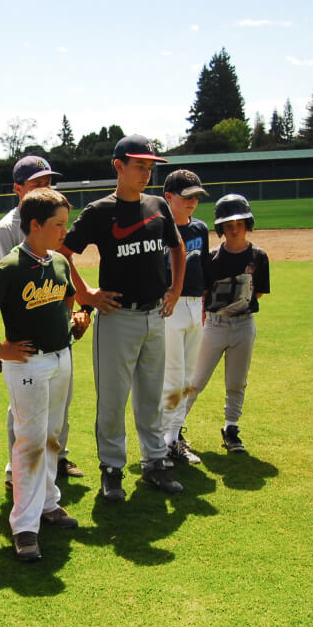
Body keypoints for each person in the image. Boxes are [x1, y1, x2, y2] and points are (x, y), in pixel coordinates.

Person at [59, 134, 186, 502]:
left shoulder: (158, 205)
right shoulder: (100, 211)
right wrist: (85, 295)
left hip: (154, 316)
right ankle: (112, 468)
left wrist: (176, 290)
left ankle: (155, 463)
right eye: (139, 165)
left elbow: (177, 249)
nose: (146, 173)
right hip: (117, 318)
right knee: (113, 399)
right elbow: (63, 253)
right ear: (118, 166)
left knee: (150, 396)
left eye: (150, 167)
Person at [0, 188, 87, 561]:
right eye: (58, 224)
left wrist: (73, 319)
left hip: (61, 357)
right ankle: (24, 526)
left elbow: (67, 296)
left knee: (51, 436)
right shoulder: (12, 265)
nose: (65, 231)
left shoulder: (58, 262)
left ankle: (48, 503)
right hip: (28, 363)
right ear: (34, 225)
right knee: (29, 441)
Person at [0, 155, 83, 482]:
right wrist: (2, 347)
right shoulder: (6, 230)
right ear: (18, 189)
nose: (46, 187)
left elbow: (62, 269)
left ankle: (56, 459)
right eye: (37, 183)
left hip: (56, 331)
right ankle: (16, 469)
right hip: (27, 338)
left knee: (59, 403)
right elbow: (7, 292)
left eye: (48, 182)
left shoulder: (55, 218)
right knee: (25, 410)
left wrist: (71, 315)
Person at [182, 193, 270, 453]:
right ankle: (175, 428)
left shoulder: (259, 256)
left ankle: (231, 428)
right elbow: (204, 292)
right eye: (228, 225)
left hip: (244, 325)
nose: (234, 229)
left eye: (239, 224)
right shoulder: (211, 258)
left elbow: (260, 292)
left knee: (237, 381)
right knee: (195, 380)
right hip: (215, 325)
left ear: (248, 224)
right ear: (220, 228)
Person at [160, 170, 211, 465]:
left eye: (196, 197)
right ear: (169, 198)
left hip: (195, 306)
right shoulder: (160, 230)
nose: (193, 201)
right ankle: (161, 442)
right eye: (187, 196)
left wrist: (204, 304)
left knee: (188, 378)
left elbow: (203, 269)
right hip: (170, 307)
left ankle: (174, 438)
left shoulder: (200, 229)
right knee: (172, 377)